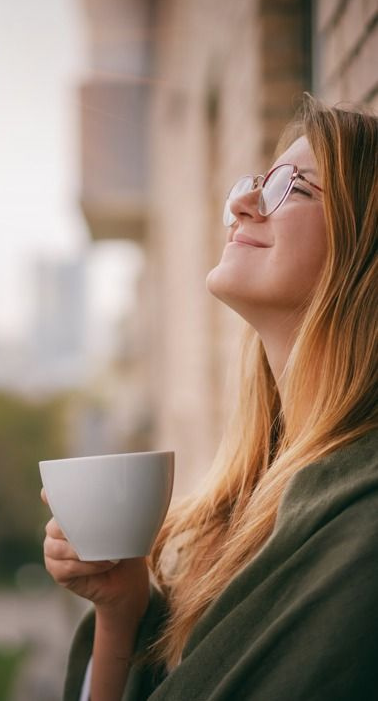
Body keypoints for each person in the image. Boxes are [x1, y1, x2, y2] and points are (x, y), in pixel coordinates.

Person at [42, 94, 378, 701]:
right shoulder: (248, 500)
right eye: (255, 184)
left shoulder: (362, 531)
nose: (242, 205)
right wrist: (123, 615)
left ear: (365, 252)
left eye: (294, 189)